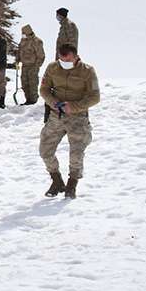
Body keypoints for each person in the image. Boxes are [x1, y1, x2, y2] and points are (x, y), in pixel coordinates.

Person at [39, 44, 99, 199]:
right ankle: (57, 181)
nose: (64, 62)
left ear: (76, 57)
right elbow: (44, 90)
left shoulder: (87, 71)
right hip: (56, 115)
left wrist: (74, 107)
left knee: (76, 154)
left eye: (68, 60)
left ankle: (72, 185)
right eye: (61, 59)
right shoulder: (52, 68)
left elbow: (94, 97)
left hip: (77, 118)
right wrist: (54, 103)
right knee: (45, 150)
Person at [16, 25, 46, 105]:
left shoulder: (37, 41)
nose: (22, 34)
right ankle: (28, 100)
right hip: (24, 65)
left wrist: (37, 66)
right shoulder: (23, 40)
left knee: (32, 83)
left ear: (28, 32)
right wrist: (17, 60)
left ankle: (33, 101)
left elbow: (41, 55)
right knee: (24, 83)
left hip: (33, 66)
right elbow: (19, 51)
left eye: (24, 32)